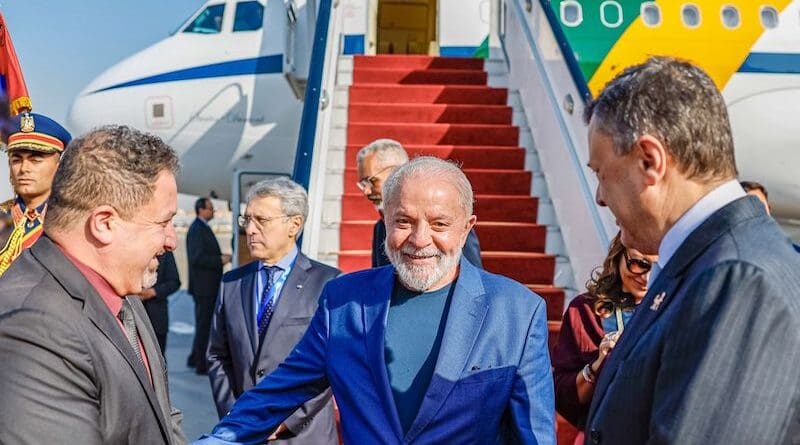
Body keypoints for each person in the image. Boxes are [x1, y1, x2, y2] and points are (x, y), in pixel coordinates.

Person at [195, 157, 555, 444]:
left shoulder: (517, 312)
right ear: (384, 221)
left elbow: (533, 435)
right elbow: (278, 391)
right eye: (403, 221)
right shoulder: (342, 302)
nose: (420, 238)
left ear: (467, 227)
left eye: (439, 224)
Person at [583, 57, 800, 444]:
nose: (600, 197)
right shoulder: (708, 262)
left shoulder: (737, 278)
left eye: (601, 173)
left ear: (650, 161)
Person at [0, 125, 185, 444]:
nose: (172, 241)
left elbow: (162, 415)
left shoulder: (122, 292)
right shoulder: (32, 328)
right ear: (104, 224)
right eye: (163, 222)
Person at [207, 177, 340, 443]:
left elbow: (331, 364)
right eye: (247, 220)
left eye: (262, 220)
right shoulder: (231, 283)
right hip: (243, 433)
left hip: (303, 434)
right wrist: (237, 415)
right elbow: (217, 356)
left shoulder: (329, 283)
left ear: (294, 224)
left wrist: (285, 421)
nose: (251, 230)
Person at [551, 233, 657, 442]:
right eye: (638, 263)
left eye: (657, 268)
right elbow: (562, 394)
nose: (645, 277)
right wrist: (598, 365)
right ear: (618, 257)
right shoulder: (585, 310)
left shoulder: (672, 307)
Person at [356, 138, 483, 268]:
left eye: (371, 181)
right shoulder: (380, 227)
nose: (367, 190)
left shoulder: (451, 223)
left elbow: (471, 276)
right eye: (362, 184)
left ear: (394, 172)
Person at [0, 112, 71, 276]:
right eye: (16, 160)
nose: (24, 169)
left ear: (59, 166)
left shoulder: (71, 220)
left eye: (35, 160)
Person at [187, 196, 231, 374]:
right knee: (204, 325)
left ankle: (193, 357)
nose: (213, 211)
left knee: (202, 324)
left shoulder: (202, 228)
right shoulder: (197, 229)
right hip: (204, 288)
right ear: (201, 210)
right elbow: (197, 258)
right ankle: (200, 364)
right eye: (210, 208)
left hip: (206, 287)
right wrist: (220, 260)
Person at [139, 251, 181, 355]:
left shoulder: (164, 252)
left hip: (157, 317)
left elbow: (174, 282)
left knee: (159, 359)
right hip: (133, 318)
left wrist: (153, 292)